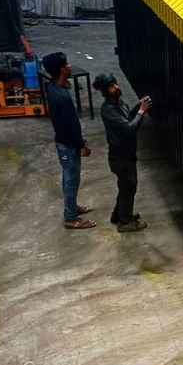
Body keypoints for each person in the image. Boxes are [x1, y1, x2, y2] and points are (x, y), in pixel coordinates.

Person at [43, 52, 95, 230]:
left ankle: (72, 207)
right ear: (61, 70)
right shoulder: (62, 98)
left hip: (66, 142)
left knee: (72, 178)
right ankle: (71, 218)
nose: (70, 66)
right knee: (70, 180)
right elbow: (70, 126)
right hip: (68, 144)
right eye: (66, 65)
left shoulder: (53, 87)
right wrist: (81, 145)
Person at [94, 73, 151, 232]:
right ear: (105, 91)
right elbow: (129, 129)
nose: (116, 87)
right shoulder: (108, 110)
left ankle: (118, 215)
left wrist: (138, 107)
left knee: (125, 186)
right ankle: (125, 222)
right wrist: (141, 111)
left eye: (115, 84)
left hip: (126, 154)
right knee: (129, 186)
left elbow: (128, 118)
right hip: (120, 157)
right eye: (112, 86)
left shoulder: (119, 103)